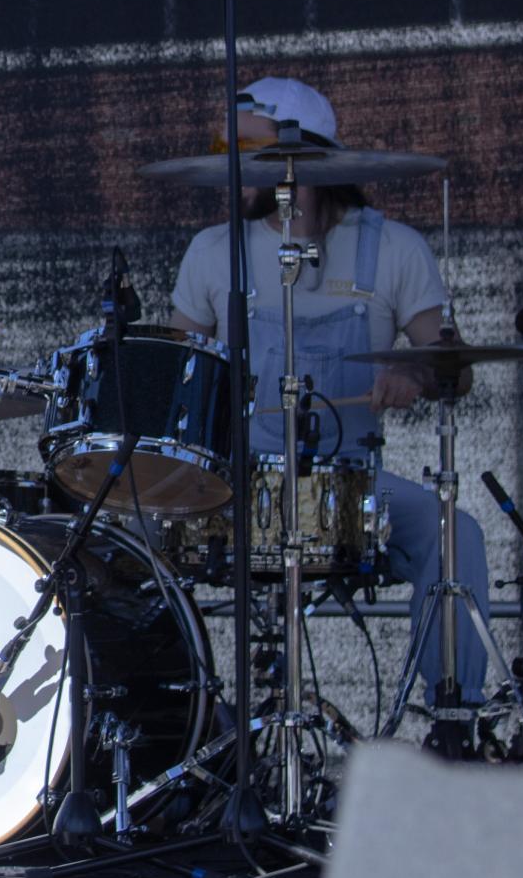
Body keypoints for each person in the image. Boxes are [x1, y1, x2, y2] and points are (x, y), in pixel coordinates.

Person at [166, 76, 493, 738]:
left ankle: (450, 719)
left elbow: (450, 370)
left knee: (454, 533)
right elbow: (176, 375)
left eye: (247, 151)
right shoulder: (210, 250)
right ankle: (181, 724)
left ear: (300, 160)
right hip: (232, 487)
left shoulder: (392, 247)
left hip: (350, 485)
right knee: (119, 539)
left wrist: (414, 370)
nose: (232, 170)